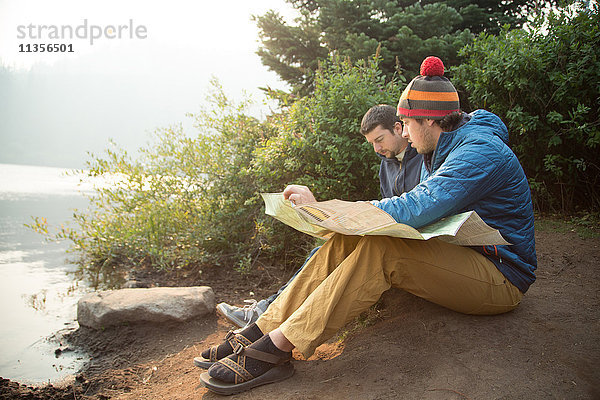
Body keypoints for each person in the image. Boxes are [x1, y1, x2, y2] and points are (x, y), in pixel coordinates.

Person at [196, 56, 537, 395]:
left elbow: (416, 207)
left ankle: (279, 347)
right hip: (464, 257)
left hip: (501, 275)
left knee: (383, 248)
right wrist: (337, 219)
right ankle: (262, 329)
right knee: (346, 241)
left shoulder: (478, 152)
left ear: (429, 121)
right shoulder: (448, 145)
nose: (402, 132)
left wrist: (339, 211)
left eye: (404, 123)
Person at [213, 104, 424, 329]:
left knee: (342, 249)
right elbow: (385, 207)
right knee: (329, 247)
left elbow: (414, 208)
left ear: (399, 128)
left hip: (410, 248)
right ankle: (266, 311)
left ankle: (266, 316)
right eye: (372, 142)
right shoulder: (387, 164)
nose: (376, 148)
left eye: (379, 139)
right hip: (389, 238)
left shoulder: (424, 158)